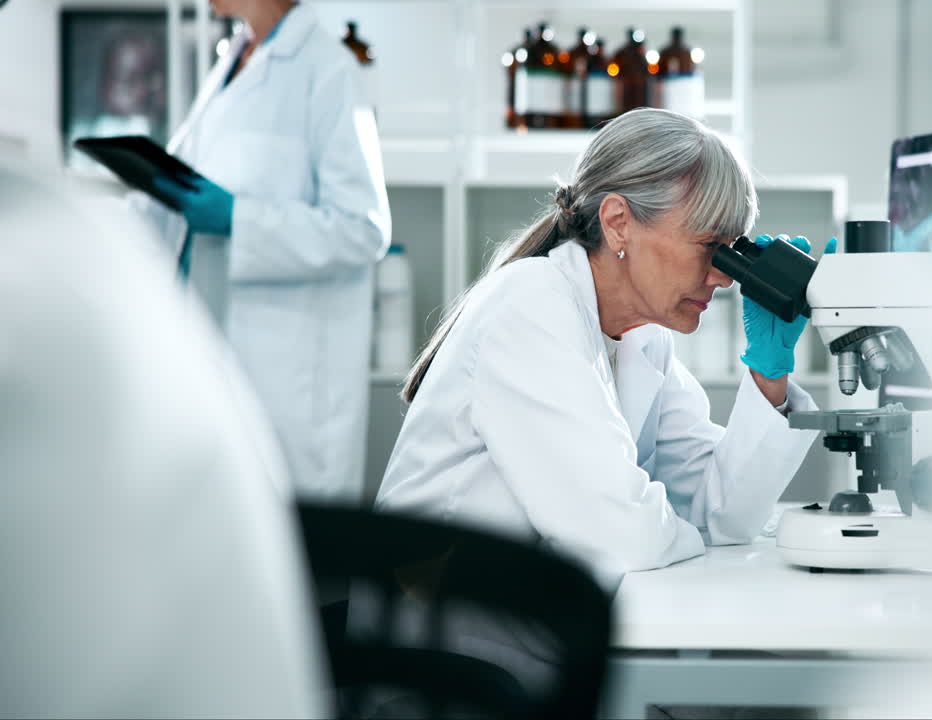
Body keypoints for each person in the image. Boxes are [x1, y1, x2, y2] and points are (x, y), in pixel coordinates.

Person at [377, 108, 824, 584]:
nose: (723, 276)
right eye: (710, 246)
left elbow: (721, 515)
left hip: (524, 613)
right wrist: (670, 525)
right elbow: (622, 536)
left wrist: (768, 375)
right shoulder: (531, 306)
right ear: (617, 222)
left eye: (733, 252)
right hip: (441, 627)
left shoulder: (642, 337)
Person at [0, 161, 326, 716]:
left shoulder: (37, 317)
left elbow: (363, 226)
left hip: (280, 367)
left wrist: (242, 219)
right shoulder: (56, 243)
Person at [132, 0, 391, 502]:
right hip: (213, 355)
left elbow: (362, 228)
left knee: (294, 556)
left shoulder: (329, 69)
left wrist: (239, 219)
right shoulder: (233, 60)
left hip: (290, 387)